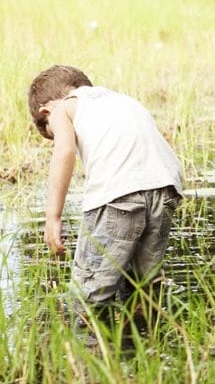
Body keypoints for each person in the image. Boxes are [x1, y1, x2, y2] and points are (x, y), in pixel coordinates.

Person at [27, 64, 184, 324]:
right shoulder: (120, 99)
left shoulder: (61, 108)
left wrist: (52, 217)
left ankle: (89, 354)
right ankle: (146, 348)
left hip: (118, 192)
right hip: (165, 187)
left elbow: (64, 152)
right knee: (143, 287)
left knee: (88, 295)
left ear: (45, 111)